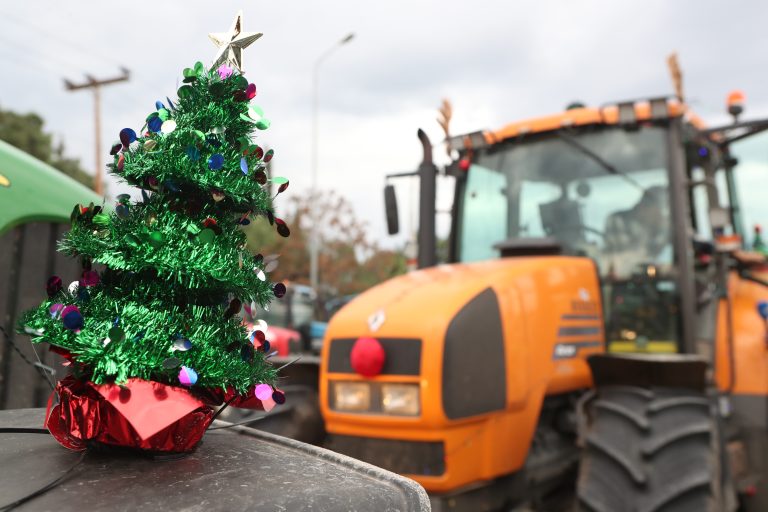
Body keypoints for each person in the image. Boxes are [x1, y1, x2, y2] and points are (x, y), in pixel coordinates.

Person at [603, 185, 671, 277]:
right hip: (619, 282)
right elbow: (626, 257)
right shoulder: (618, 220)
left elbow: (655, 252)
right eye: (660, 210)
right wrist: (663, 269)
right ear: (645, 207)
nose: (661, 215)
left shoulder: (652, 228)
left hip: (646, 282)